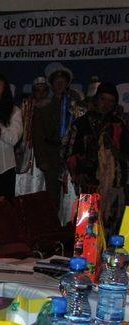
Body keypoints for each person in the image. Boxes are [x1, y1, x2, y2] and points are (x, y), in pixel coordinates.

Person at [61, 82, 129, 232]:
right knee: (88, 226)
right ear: (97, 99)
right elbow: (68, 150)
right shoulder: (81, 123)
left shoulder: (118, 124)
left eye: (111, 101)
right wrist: (78, 172)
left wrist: (113, 152)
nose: (106, 104)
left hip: (112, 184)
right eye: (103, 99)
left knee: (110, 224)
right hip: (88, 181)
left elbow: (125, 153)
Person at [33, 63, 83, 207]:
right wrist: (42, 159)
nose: (60, 84)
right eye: (57, 82)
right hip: (52, 155)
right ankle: (53, 221)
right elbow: (38, 135)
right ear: (52, 85)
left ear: (67, 84)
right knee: (52, 196)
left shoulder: (77, 106)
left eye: (63, 82)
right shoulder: (44, 106)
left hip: (72, 156)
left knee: (74, 196)